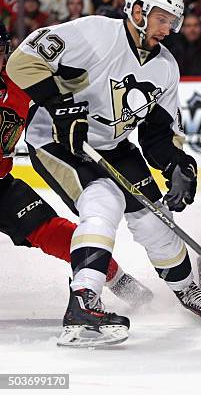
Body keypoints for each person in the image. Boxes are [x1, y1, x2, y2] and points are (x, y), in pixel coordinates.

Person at [6, 0, 201, 348]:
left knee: (155, 218)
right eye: (162, 18)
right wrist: (59, 106)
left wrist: (176, 164)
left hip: (113, 145)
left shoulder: (166, 67)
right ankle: (83, 302)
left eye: (174, 21)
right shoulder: (92, 33)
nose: (169, 28)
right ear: (137, 10)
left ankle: (187, 290)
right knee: (103, 199)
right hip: (59, 142)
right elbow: (21, 62)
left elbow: (158, 132)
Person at [0, 22, 152, 309]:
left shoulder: (19, 82)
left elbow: (76, 90)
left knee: (56, 231)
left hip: (1, 185)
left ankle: (117, 280)